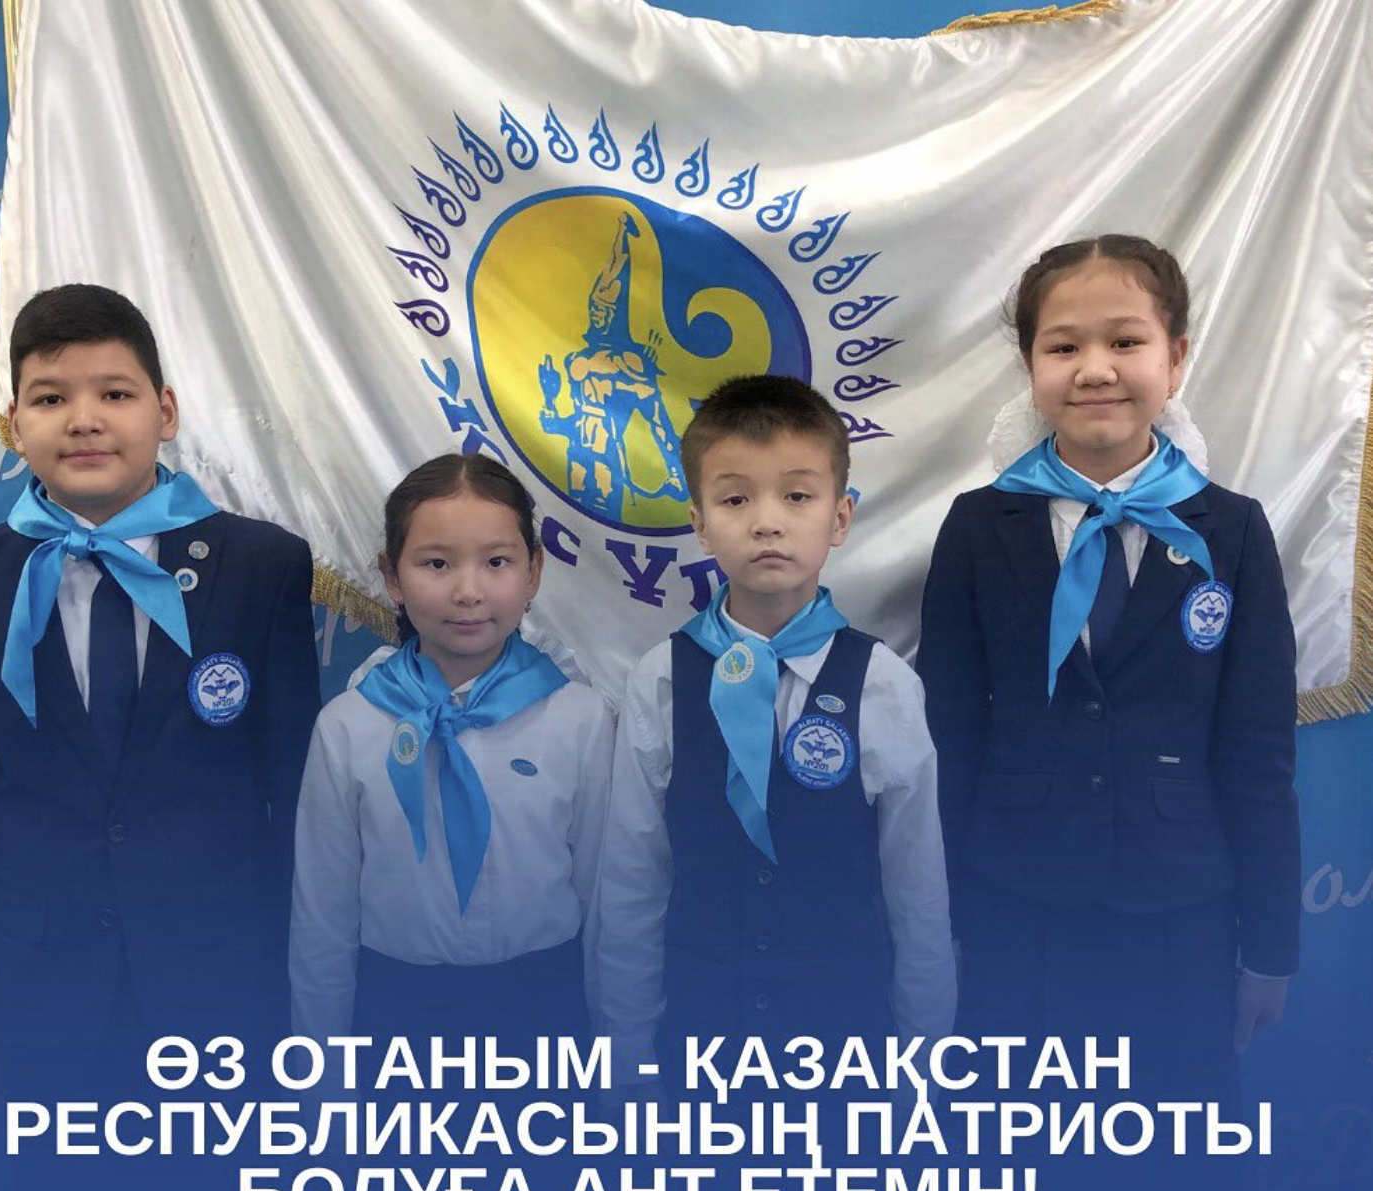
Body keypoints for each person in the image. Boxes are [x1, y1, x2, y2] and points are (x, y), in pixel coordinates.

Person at [0, 283, 321, 1100]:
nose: (84, 419)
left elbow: (298, 800)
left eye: (115, 394)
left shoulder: (261, 567)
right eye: (50, 399)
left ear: (165, 411)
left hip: (224, 985)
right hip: (40, 995)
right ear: (14, 424)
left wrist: (302, 991)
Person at [916, 235, 1299, 1104]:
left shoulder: (1234, 530)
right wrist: (943, 926)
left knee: (1174, 1150)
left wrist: (1272, 947)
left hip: (1184, 909)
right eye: (1064, 346)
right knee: (1016, 1142)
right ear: (1030, 366)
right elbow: (951, 737)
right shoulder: (978, 526)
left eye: (1126, 341)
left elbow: (1258, 752)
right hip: (1014, 901)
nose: (1096, 370)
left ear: (1177, 357)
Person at [593, 375, 957, 1089]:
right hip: (697, 1045)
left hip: (846, 1050)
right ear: (700, 524)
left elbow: (918, 890)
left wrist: (923, 1063)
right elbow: (633, 881)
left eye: (797, 496)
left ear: (840, 517)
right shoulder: (661, 679)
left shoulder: (883, 684)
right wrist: (626, 1054)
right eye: (735, 500)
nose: (767, 522)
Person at [289, 453, 615, 1053]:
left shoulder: (580, 719)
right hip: (394, 1011)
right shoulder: (349, 726)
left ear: (534, 572)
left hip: (546, 1005)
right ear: (392, 577)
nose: (468, 592)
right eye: (436, 564)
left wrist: (620, 1050)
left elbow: (606, 900)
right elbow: (322, 913)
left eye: (497, 562)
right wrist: (322, 1070)